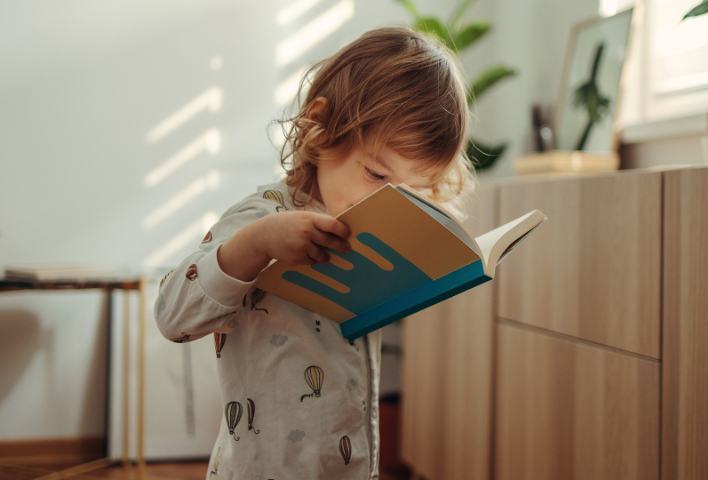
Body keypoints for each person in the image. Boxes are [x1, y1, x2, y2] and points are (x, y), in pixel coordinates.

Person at [154, 26, 476, 479]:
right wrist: (258, 243)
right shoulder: (263, 214)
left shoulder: (365, 228)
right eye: (378, 176)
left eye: (412, 192)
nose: (388, 202)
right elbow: (171, 314)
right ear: (322, 129)